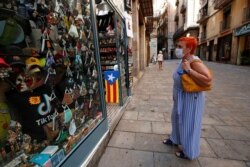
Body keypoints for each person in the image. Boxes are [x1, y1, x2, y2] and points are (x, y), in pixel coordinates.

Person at [162, 37, 212, 160]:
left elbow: (207, 79)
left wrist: (189, 70)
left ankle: (190, 152)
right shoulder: (184, 59)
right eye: (177, 46)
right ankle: (175, 139)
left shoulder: (194, 61)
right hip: (181, 97)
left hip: (191, 98)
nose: (177, 49)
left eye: (180, 47)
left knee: (190, 124)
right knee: (176, 119)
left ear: (189, 48)